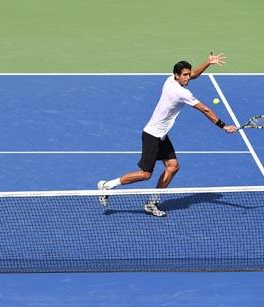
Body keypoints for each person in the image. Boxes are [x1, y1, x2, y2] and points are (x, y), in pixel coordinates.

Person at [97, 52, 236, 217]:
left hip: (161, 135)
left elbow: (195, 74)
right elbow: (205, 109)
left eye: (187, 74)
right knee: (145, 174)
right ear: (177, 76)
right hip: (152, 135)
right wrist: (223, 126)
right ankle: (107, 185)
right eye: (184, 75)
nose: (187, 78)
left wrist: (207, 62)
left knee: (173, 166)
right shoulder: (182, 93)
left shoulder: (170, 79)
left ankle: (151, 202)